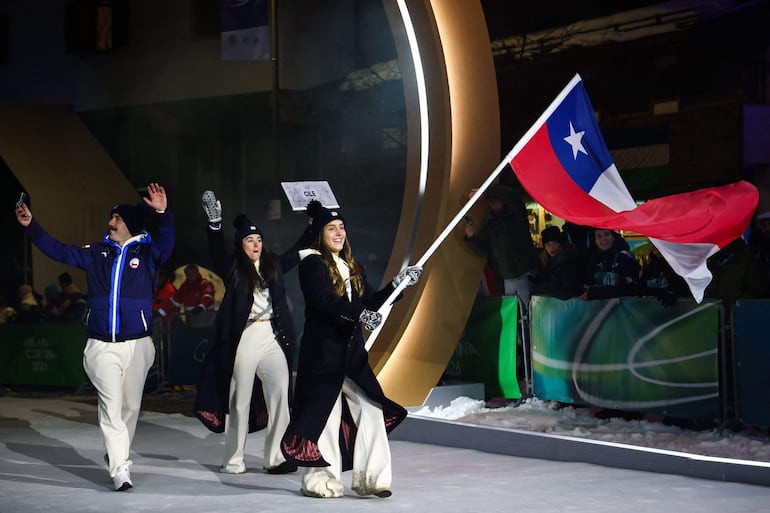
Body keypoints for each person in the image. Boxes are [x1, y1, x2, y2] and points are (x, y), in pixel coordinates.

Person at [14, 183, 175, 491]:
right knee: (111, 407)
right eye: (111, 218)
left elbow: (167, 240)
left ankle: (117, 452)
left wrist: (163, 213)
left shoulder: (148, 251)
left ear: (130, 225)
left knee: (130, 408)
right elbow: (58, 249)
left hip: (139, 345)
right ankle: (120, 470)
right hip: (102, 346)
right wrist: (30, 226)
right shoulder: (96, 252)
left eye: (116, 219)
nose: (109, 223)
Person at [280, 200, 422, 499]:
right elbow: (324, 301)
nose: (338, 232)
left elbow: (371, 302)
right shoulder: (311, 263)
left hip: (352, 354)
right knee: (326, 418)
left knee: (370, 409)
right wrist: (359, 315)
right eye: (331, 228)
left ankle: (374, 480)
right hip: (324, 353)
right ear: (319, 234)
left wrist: (399, 284)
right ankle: (321, 483)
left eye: (341, 227)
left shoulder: (351, 266)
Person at [193, 190, 314, 475]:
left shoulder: (273, 266)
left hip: (272, 336)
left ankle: (276, 458)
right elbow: (216, 250)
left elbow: (297, 251)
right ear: (241, 246)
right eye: (250, 240)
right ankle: (234, 459)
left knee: (281, 395)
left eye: (259, 239)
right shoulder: (234, 269)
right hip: (245, 337)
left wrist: (312, 223)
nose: (256, 243)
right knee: (239, 401)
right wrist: (215, 223)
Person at [463, 184, 537, 304]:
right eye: (489, 202)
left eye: (494, 201)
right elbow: (483, 249)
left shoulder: (515, 214)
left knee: (526, 309)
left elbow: (513, 196)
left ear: (503, 201)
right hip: (506, 275)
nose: (491, 204)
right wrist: (472, 238)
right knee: (516, 311)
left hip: (523, 271)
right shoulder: (490, 221)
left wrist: (486, 192)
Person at [579, 228, 639, 301]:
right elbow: (587, 284)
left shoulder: (625, 257)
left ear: (613, 237)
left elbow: (628, 289)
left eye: (606, 234)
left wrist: (595, 292)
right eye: (599, 236)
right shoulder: (593, 260)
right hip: (600, 309)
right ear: (595, 240)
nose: (603, 239)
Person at [529, 225, 585, 299]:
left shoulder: (568, 260)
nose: (552, 247)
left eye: (555, 243)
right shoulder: (545, 260)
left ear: (560, 244)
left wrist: (541, 284)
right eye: (548, 244)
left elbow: (565, 293)